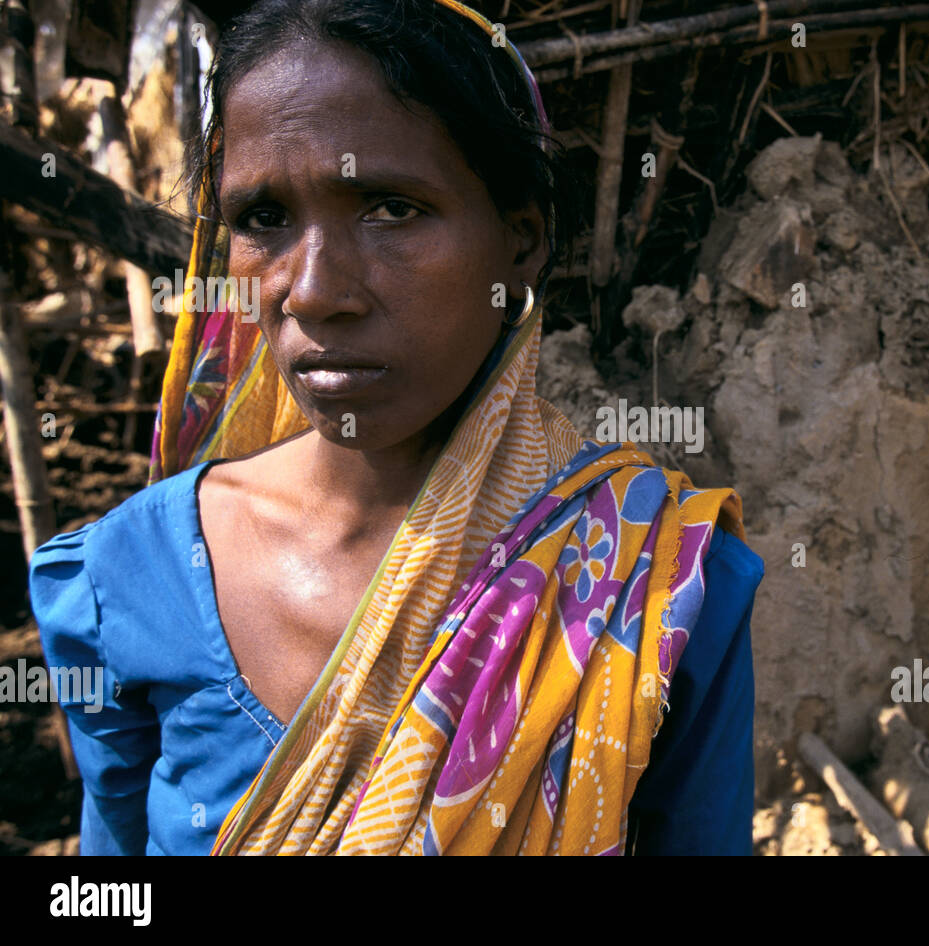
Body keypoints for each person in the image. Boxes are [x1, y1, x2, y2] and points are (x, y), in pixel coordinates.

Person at [28, 0, 763, 855]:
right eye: (263, 218)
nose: (314, 291)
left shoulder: (660, 584)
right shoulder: (128, 572)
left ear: (521, 240)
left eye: (390, 209)